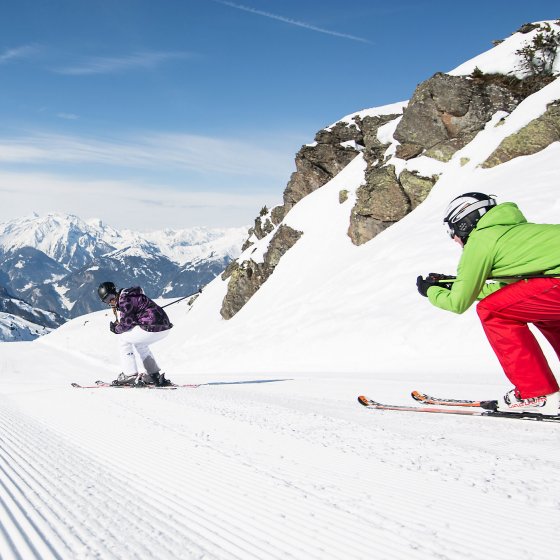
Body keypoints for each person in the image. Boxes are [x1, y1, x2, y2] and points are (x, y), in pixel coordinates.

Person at [416, 192, 560, 415]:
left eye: (452, 230)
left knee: (492, 311)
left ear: (464, 221)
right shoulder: (514, 234)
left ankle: (536, 393)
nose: (454, 238)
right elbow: (517, 292)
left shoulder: (481, 240)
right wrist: (457, 284)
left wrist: (431, 290)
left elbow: (457, 303)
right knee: (537, 311)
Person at [97, 281, 173, 387]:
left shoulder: (124, 299)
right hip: (163, 327)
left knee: (123, 339)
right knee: (139, 343)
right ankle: (152, 374)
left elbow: (126, 324)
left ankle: (130, 375)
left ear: (115, 292)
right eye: (106, 300)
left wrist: (115, 329)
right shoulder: (129, 295)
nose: (111, 301)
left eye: (110, 296)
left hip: (152, 327)